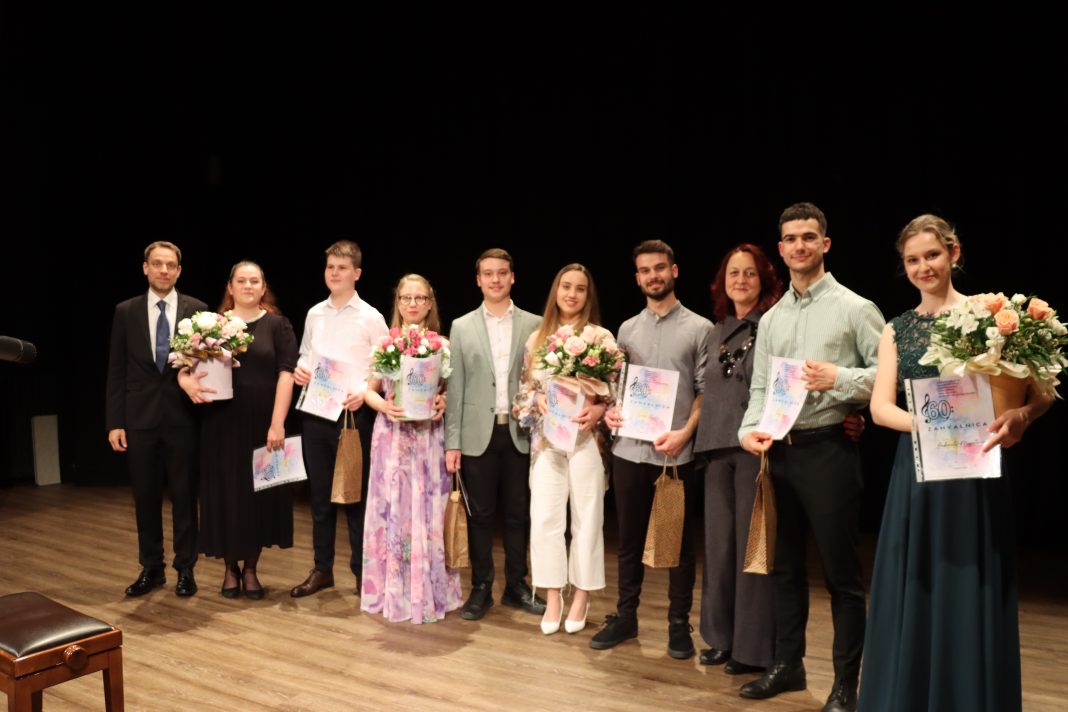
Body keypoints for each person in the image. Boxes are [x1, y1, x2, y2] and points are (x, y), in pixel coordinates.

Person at [858, 215, 1053, 712]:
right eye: (913, 260)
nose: (923, 267)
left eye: (932, 255)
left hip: (975, 473)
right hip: (917, 474)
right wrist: (931, 426)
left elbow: (1043, 392)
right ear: (904, 267)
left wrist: (1021, 416)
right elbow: (880, 408)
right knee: (916, 584)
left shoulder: (991, 315)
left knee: (969, 585)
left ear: (954, 253)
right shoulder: (896, 329)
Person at [738, 202, 885, 712]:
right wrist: (747, 430)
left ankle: (845, 684)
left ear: (825, 243)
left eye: (808, 237)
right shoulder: (772, 318)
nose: (799, 246)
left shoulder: (855, 308)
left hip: (828, 450)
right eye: (790, 239)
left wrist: (839, 379)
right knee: (783, 569)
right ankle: (788, 665)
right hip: (779, 452)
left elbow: (887, 378)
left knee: (842, 577)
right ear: (780, 250)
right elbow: (761, 388)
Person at [594, 240, 714, 659]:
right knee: (628, 542)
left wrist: (686, 433)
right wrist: (612, 410)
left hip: (673, 453)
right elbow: (619, 386)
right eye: (645, 270)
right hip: (630, 451)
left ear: (674, 271)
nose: (653, 276)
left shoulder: (700, 328)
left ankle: (678, 625)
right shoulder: (627, 329)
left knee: (676, 544)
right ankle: (626, 616)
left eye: (660, 268)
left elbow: (705, 391)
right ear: (637, 278)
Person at [178, 261, 297, 598]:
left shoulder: (277, 325)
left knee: (258, 497)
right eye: (241, 281)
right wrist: (185, 380)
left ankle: (251, 569)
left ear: (263, 287)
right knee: (226, 495)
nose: (248, 286)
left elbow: (286, 374)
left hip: (262, 423)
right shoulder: (210, 326)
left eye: (254, 281)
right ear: (230, 287)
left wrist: (277, 423)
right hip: (221, 423)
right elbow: (184, 365)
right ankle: (230, 568)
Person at [693, 244, 782, 673]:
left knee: (752, 550)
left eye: (749, 273)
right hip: (715, 448)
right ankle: (720, 638)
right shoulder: (716, 331)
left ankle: (752, 649)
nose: (741, 280)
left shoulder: (773, 326)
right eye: (734, 273)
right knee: (719, 549)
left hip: (754, 450)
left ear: (763, 279)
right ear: (722, 282)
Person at [444, 248, 545, 620]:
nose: (496, 279)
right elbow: (456, 389)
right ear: (478, 280)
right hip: (477, 435)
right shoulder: (462, 326)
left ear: (512, 277)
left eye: (502, 272)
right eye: (488, 273)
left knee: (519, 515)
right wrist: (452, 442)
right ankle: (482, 587)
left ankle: (516, 586)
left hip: (520, 432)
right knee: (480, 516)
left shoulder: (535, 324)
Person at [106, 241, 207, 597]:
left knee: (184, 495)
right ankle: (151, 568)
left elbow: (207, 365)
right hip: (139, 419)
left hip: (183, 417)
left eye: (170, 265)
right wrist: (115, 421)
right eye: (157, 264)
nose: (164, 270)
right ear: (145, 268)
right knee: (145, 496)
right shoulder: (126, 311)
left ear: (179, 271)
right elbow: (116, 369)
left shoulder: (198, 311)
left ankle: (186, 568)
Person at [515, 264, 611, 635]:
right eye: (566, 287)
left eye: (580, 289)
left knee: (587, 517)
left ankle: (582, 596)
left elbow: (615, 393)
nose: (572, 294)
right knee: (544, 518)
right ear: (556, 291)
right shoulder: (537, 339)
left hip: (586, 439)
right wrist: (536, 400)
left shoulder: (601, 338)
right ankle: (553, 595)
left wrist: (599, 410)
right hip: (548, 441)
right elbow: (523, 392)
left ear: (588, 295)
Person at [361, 274, 463, 623]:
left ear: (430, 304)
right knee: (393, 509)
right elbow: (370, 390)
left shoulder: (442, 345)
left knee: (429, 511)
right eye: (406, 297)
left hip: (428, 438)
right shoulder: (386, 342)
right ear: (398, 302)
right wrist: (383, 405)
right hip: (392, 437)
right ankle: (393, 591)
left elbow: (450, 393)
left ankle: (428, 591)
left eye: (420, 298)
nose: (413, 304)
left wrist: (443, 400)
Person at [290, 241, 389, 598]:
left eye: (342, 268)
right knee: (319, 498)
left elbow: (384, 366)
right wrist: (301, 369)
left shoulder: (371, 317)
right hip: (317, 413)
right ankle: (322, 569)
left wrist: (364, 390)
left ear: (357, 273)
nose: (334, 273)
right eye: (330, 267)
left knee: (355, 498)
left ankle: (363, 573)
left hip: (352, 417)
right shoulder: (315, 313)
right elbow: (305, 354)